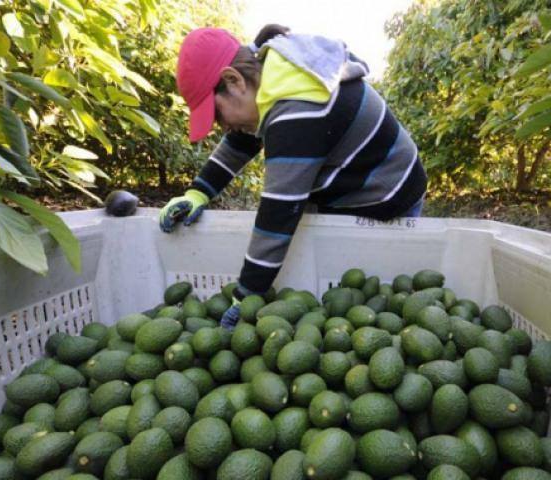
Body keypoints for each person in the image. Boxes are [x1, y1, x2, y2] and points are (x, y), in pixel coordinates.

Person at [159, 25, 427, 330]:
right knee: (338, 300)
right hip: (348, 185)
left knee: (369, 298)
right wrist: (198, 192)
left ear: (233, 80)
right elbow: (241, 140)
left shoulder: (298, 112)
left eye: (217, 115)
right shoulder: (275, 73)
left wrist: (246, 295)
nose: (222, 126)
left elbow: (279, 215)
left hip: (386, 193)